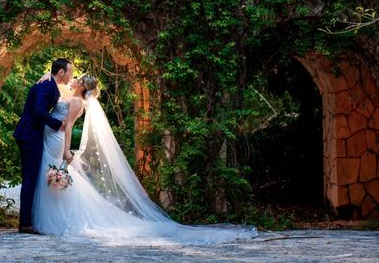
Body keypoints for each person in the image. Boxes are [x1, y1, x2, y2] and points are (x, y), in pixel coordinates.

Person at [31, 74, 257, 244]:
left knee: (63, 179)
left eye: (77, 79)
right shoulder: (72, 96)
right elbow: (58, 89)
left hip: (59, 142)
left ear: (82, 86)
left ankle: (61, 220)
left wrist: (67, 151)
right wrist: (47, 78)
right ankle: (57, 218)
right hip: (52, 139)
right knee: (62, 180)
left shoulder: (78, 102)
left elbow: (68, 126)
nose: (74, 79)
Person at [13, 57, 73, 234]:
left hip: (33, 133)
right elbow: (38, 111)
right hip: (29, 134)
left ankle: (27, 220)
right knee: (30, 178)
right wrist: (57, 124)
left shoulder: (49, 83)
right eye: (69, 71)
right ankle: (25, 224)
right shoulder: (47, 85)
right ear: (61, 72)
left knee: (31, 177)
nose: (71, 74)